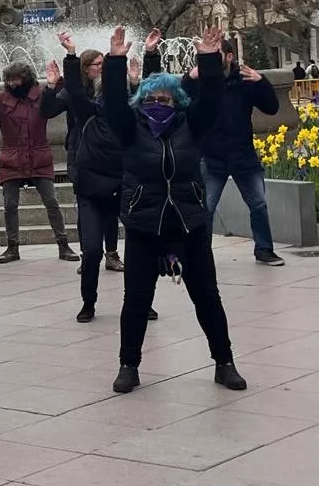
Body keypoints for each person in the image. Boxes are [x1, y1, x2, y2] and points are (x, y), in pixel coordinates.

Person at [102, 26, 246, 395]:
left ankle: (224, 363)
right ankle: (128, 365)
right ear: (142, 101)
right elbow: (115, 101)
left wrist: (210, 58)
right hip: (144, 225)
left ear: (179, 101)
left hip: (189, 222)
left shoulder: (191, 126)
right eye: (152, 98)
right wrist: (116, 61)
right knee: (136, 301)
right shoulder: (129, 129)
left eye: (166, 98)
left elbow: (212, 98)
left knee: (207, 297)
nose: (159, 103)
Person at [54, 33, 140, 323]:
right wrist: (70, 56)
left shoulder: (129, 120)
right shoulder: (89, 112)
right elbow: (75, 92)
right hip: (92, 192)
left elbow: (149, 97)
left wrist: (130, 64)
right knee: (92, 251)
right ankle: (88, 302)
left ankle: (142, 301)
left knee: (142, 246)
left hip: (124, 189)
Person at [181, 40, 286, 266]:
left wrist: (262, 83)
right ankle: (201, 254)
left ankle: (264, 249)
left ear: (229, 56)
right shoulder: (203, 83)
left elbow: (271, 108)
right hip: (211, 157)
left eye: (215, 53)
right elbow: (182, 102)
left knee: (258, 204)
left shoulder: (245, 82)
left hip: (243, 156)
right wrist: (189, 79)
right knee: (206, 208)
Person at [0, 61, 77, 263]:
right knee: (10, 205)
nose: (13, 83)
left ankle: (63, 245)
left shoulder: (41, 96)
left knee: (52, 203)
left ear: (27, 78)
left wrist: (56, 81)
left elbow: (62, 99)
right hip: (12, 160)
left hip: (39, 158)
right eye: (10, 79)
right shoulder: (2, 100)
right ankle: (12, 247)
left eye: (17, 79)